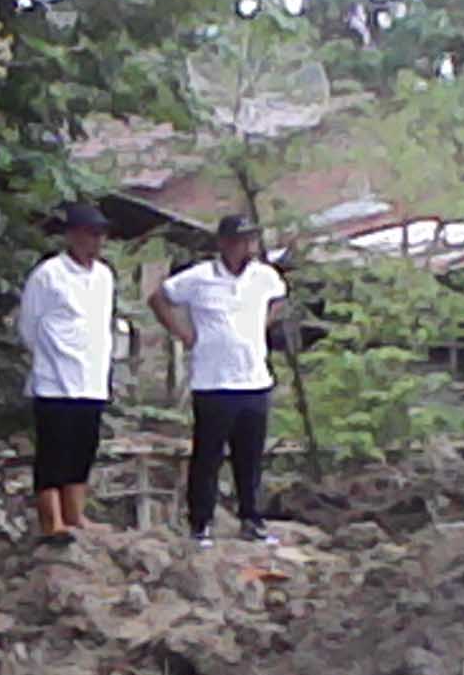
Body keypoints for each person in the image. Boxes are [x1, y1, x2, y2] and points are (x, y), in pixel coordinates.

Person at [149, 215, 288, 548]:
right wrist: (184, 333)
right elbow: (159, 298)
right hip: (213, 381)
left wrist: (260, 326)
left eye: (250, 240)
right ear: (223, 243)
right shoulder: (199, 278)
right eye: (238, 240)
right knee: (208, 456)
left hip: (253, 379)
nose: (245, 247)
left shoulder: (264, 277)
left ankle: (251, 518)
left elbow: (280, 298)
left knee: (250, 457)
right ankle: (201, 522)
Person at [17, 202, 116, 544]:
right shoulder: (48, 275)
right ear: (72, 235)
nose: (96, 241)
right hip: (55, 379)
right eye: (90, 234)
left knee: (83, 450)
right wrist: (50, 355)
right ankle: (52, 519)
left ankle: (76, 514)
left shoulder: (104, 276)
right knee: (53, 453)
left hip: (91, 378)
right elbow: (28, 326)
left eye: (101, 234)